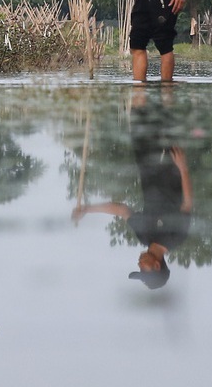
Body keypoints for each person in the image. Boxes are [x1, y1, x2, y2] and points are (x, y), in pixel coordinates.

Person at [72, 88, 194, 289]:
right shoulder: (175, 238)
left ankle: (141, 83)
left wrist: (87, 209)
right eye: (142, 269)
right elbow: (188, 203)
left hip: (146, 164)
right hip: (171, 168)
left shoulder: (143, 235)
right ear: (156, 266)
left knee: (138, 115)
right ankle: (165, 83)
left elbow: (121, 210)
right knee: (166, 113)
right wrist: (183, 168)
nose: (138, 264)